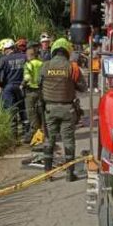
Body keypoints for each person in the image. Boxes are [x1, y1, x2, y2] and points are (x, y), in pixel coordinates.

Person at [39, 37, 87, 181]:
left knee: (49, 140)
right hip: (68, 110)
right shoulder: (72, 67)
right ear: (67, 51)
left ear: (53, 50)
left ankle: (48, 174)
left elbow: (38, 84)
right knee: (68, 141)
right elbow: (83, 87)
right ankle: (69, 174)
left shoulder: (45, 66)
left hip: (49, 109)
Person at [0, 38, 27, 137]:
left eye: (2, 50)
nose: (2, 52)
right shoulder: (24, 56)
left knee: (10, 110)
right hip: (22, 86)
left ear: (5, 49)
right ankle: (27, 133)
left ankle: (14, 135)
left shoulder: (3, 59)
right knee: (23, 109)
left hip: (8, 87)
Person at [21, 44, 43, 140]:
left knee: (31, 112)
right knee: (40, 111)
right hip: (41, 91)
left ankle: (35, 132)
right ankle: (43, 131)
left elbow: (27, 77)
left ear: (29, 55)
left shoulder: (28, 64)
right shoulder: (41, 63)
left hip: (30, 91)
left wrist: (22, 84)